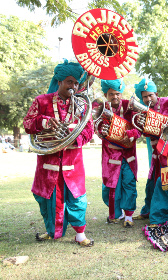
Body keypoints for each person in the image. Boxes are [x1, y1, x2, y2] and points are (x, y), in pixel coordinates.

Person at [23, 60, 94, 246]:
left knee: (77, 198)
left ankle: (80, 235)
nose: (74, 86)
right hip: (48, 164)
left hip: (73, 162)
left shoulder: (82, 105)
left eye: (76, 83)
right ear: (60, 81)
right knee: (48, 198)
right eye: (70, 82)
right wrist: (45, 123)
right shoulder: (42, 101)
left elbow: (88, 131)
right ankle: (52, 231)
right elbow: (27, 124)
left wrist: (71, 138)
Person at [132, 77, 168, 223]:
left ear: (156, 93)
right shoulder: (144, 110)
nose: (148, 98)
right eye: (144, 97)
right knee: (153, 178)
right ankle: (149, 209)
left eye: (150, 95)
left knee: (167, 178)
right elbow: (145, 131)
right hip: (156, 149)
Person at [98, 79, 141, 228]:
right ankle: (116, 213)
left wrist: (129, 133)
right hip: (110, 156)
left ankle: (128, 215)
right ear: (106, 94)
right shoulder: (101, 108)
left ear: (121, 93)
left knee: (129, 184)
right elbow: (98, 129)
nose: (115, 97)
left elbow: (139, 128)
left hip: (128, 155)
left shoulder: (129, 107)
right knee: (110, 187)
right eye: (111, 94)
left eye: (117, 93)